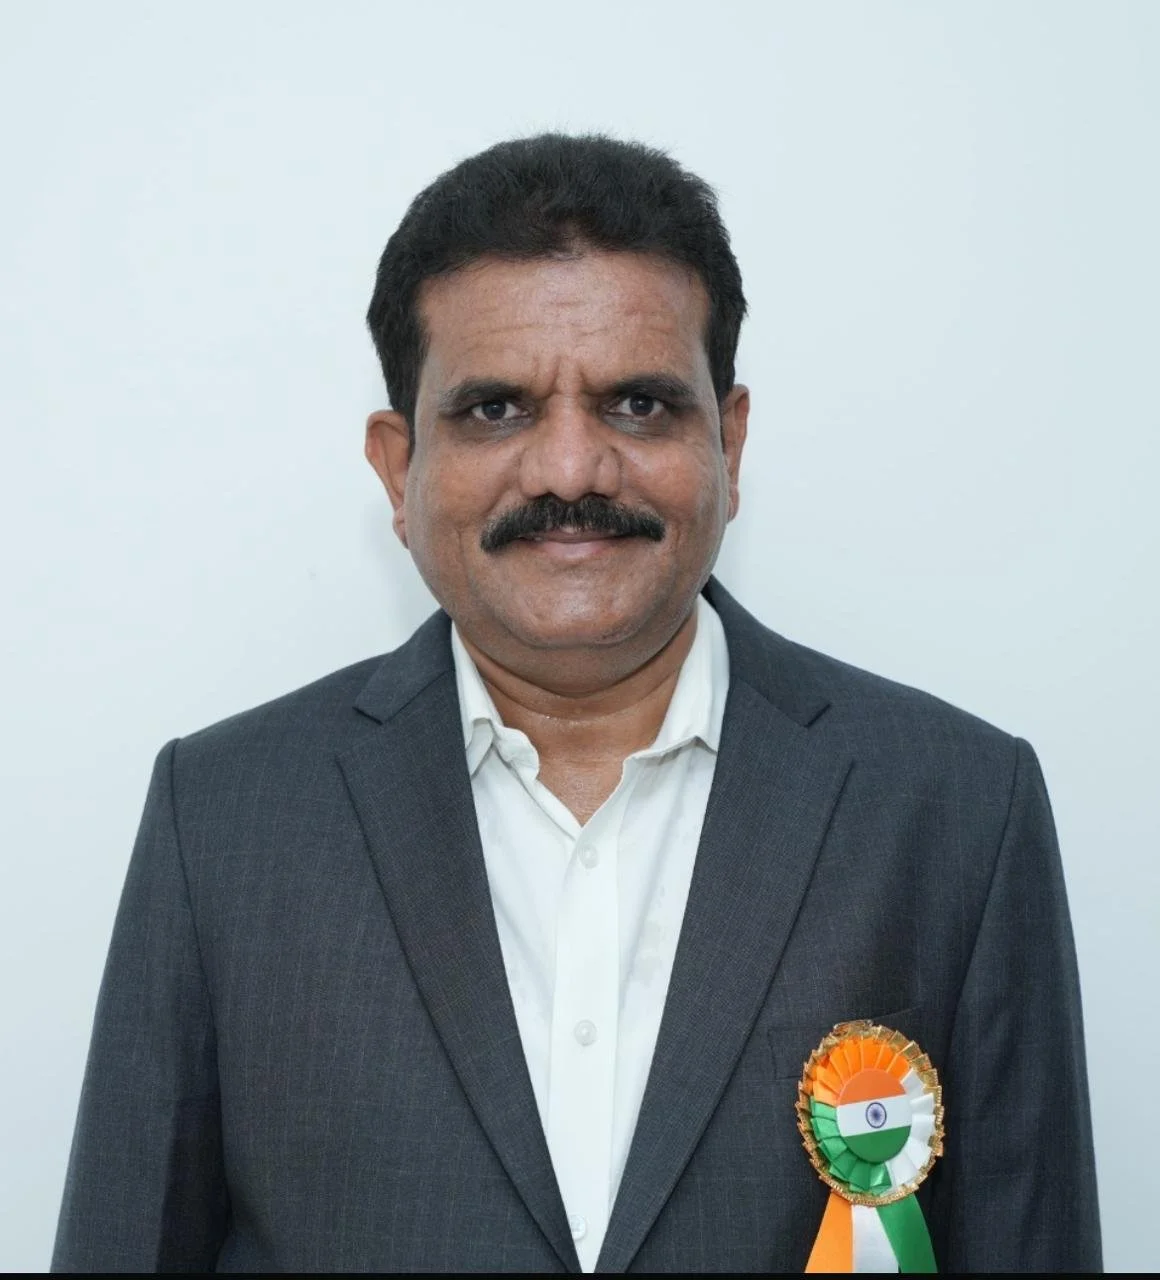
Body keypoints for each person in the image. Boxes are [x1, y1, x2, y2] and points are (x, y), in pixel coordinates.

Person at [52, 133, 1101, 1273]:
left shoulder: (955, 808)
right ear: (396, 468)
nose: (568, 470)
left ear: (729, 443)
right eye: (495, 409)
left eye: (638, 404)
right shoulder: (223, 819)